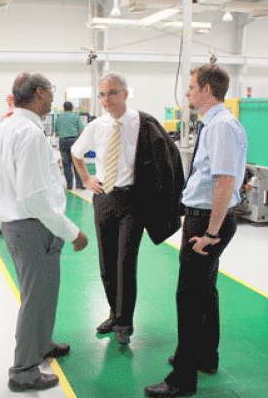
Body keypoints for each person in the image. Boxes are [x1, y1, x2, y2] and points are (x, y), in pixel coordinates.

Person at [144, 64, 247, 397]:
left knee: (188, 298)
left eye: (191, 86)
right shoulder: (214, 124)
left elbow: (225, 180)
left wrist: (212, 233)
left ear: (206, 90)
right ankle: (205, 356)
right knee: (206, 292)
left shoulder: (221, 127)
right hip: (204, 218)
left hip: (208, 221)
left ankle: (182, 378)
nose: (186, 92)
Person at [0, 72, 89, 393]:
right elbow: (32, 197)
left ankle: (42, 344)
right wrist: (71, 230)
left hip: (17, 224)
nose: (53, 97)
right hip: (33, 226)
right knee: (35, 298)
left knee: (45, 291)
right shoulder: (29, 133)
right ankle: (23, 370)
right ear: (38, 92)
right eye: (50, 91)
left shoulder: (8, 126)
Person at [71, 72, 184, 345]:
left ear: (125, 93)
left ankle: (125, 323)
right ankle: (114, 313)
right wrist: (86, 179)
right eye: (102, 94)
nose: (106, 99)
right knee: (107, 262)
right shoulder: (96, 126)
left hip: (133, 201)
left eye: (111, 92)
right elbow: (76, 152)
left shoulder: (143, 123)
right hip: (105, 198)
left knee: (124, 261)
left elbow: (168, 158)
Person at [54, 101, 85, 190]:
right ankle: (79, 184)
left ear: (63, 108)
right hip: (74, 140)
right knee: (77, 162)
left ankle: (69, 185)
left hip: (63, 141)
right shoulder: (76, 117)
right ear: (72, 108)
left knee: (66, 163)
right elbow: (81, 131)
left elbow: (55, 131)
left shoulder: (59, 118)